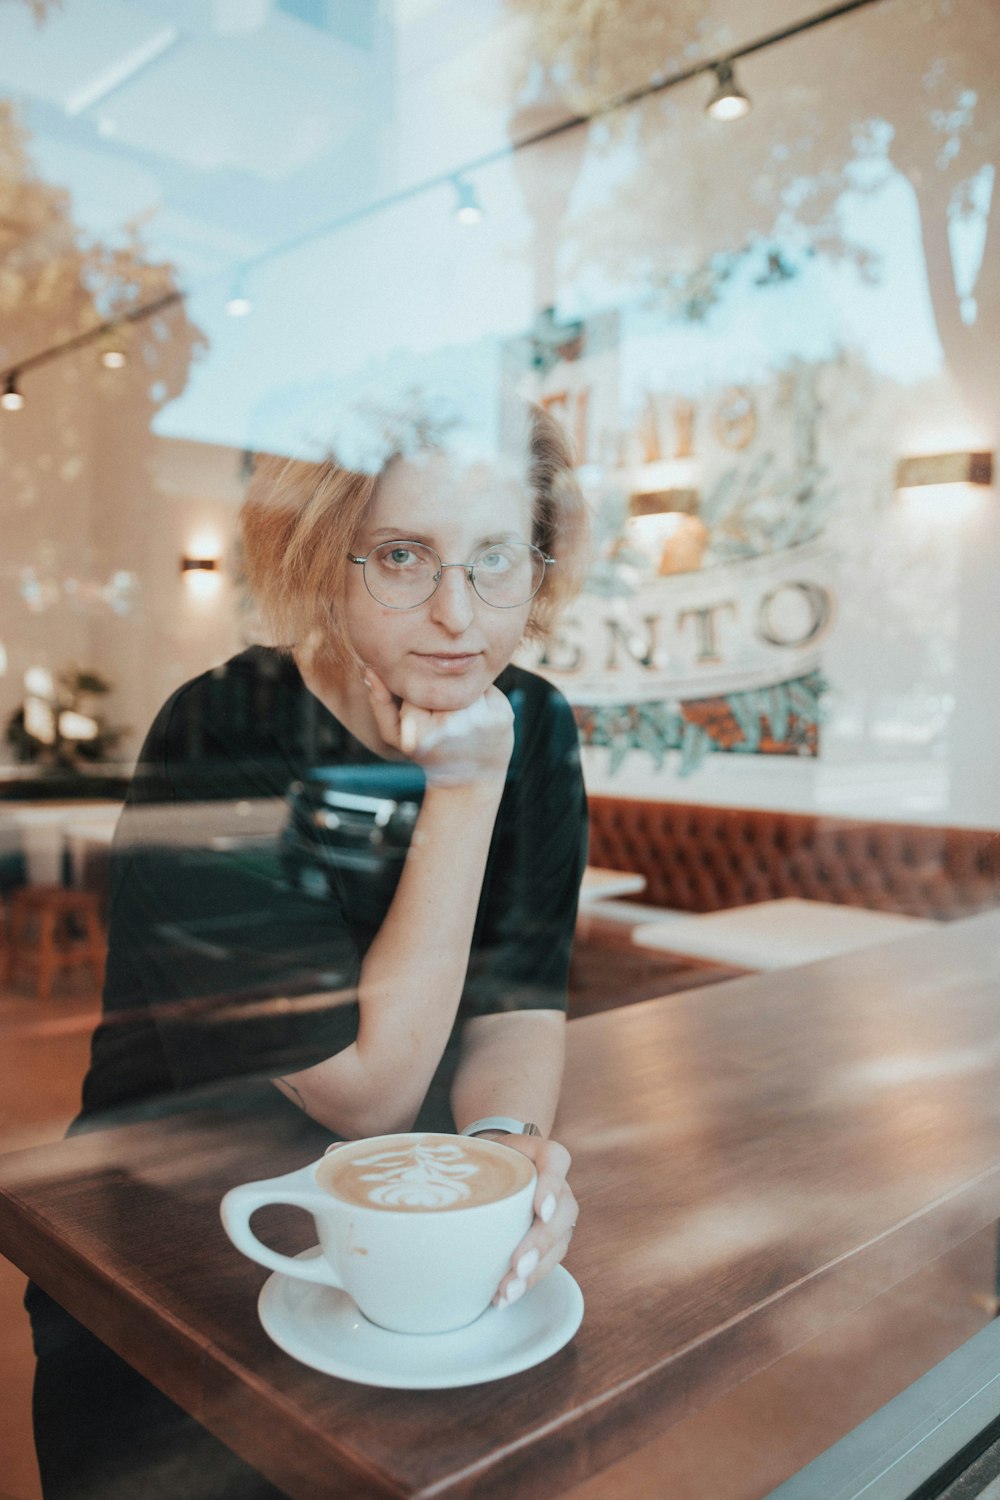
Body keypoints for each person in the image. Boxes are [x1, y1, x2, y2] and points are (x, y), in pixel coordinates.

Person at [27, 398, 591, 1498]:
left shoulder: (539, 721)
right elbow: (366, 1096)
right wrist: (465, 783)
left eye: (493, 561)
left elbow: (519, 1001)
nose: (454, 615)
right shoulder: (223, 731)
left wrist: (504, 1154)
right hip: (172, 1252)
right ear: (323, 559)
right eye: (400, 556)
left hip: (411, 1258)